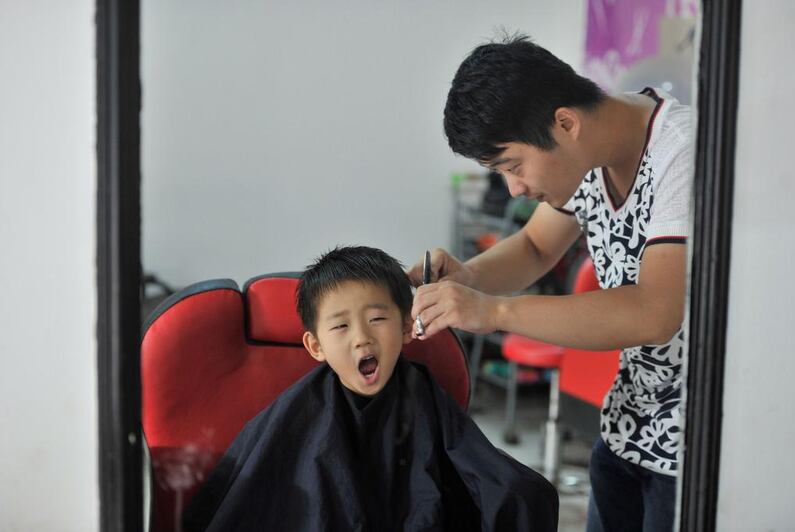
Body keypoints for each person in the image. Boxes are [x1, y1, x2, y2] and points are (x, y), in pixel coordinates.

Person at [409, 34, 693, 532]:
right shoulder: (585, 155)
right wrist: (469, 276)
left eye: (513, 166)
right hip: (628, 424)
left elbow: (655, 312)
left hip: (691, 445)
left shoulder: (681, 155)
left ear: (565, 122)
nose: (514, 188)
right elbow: (537, 247)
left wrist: (492, 312)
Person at [183, 245, 559, 531]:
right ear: (316, 346)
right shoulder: (299, 411)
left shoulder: (422, 393)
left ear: (408, 328)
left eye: (378, 318)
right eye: (341, 327)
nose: (362, 338)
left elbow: (482, 472)